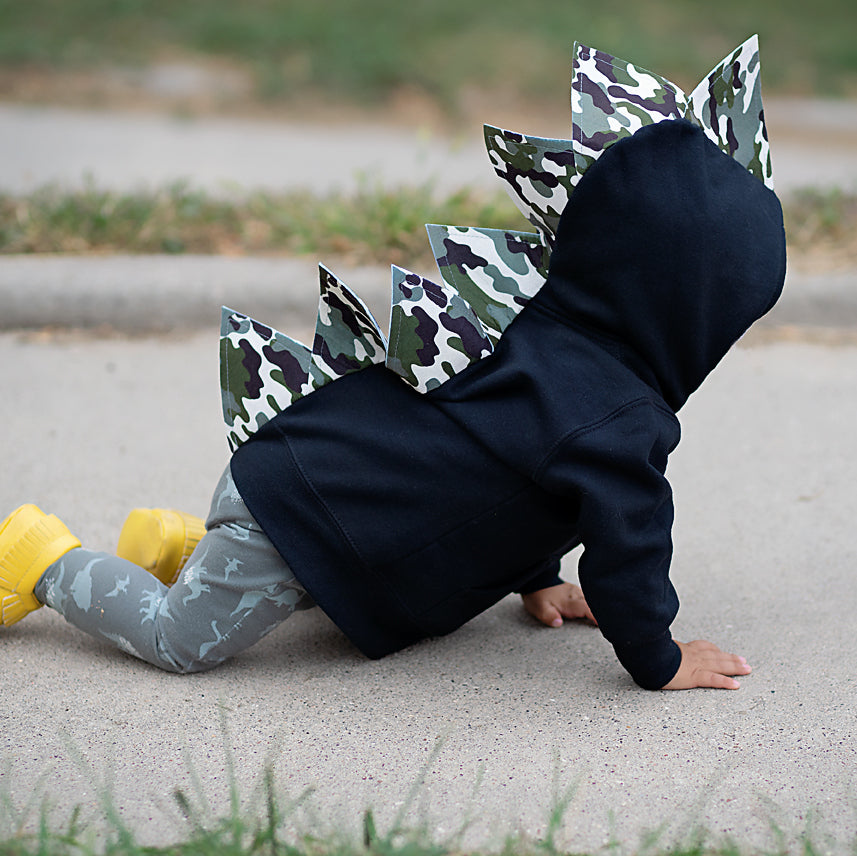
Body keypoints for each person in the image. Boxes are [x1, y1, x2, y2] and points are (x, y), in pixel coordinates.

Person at [0, 118, 786, 690]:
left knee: (305, 588)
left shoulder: (538, 328)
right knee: (181, 645)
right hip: (296, 512)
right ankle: (44, 559)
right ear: (694, 317)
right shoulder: (618, 422)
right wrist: (658, 656)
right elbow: (629, 546)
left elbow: (505, 476)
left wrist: (535, 578)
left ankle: (176, 547)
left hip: (308, 495)